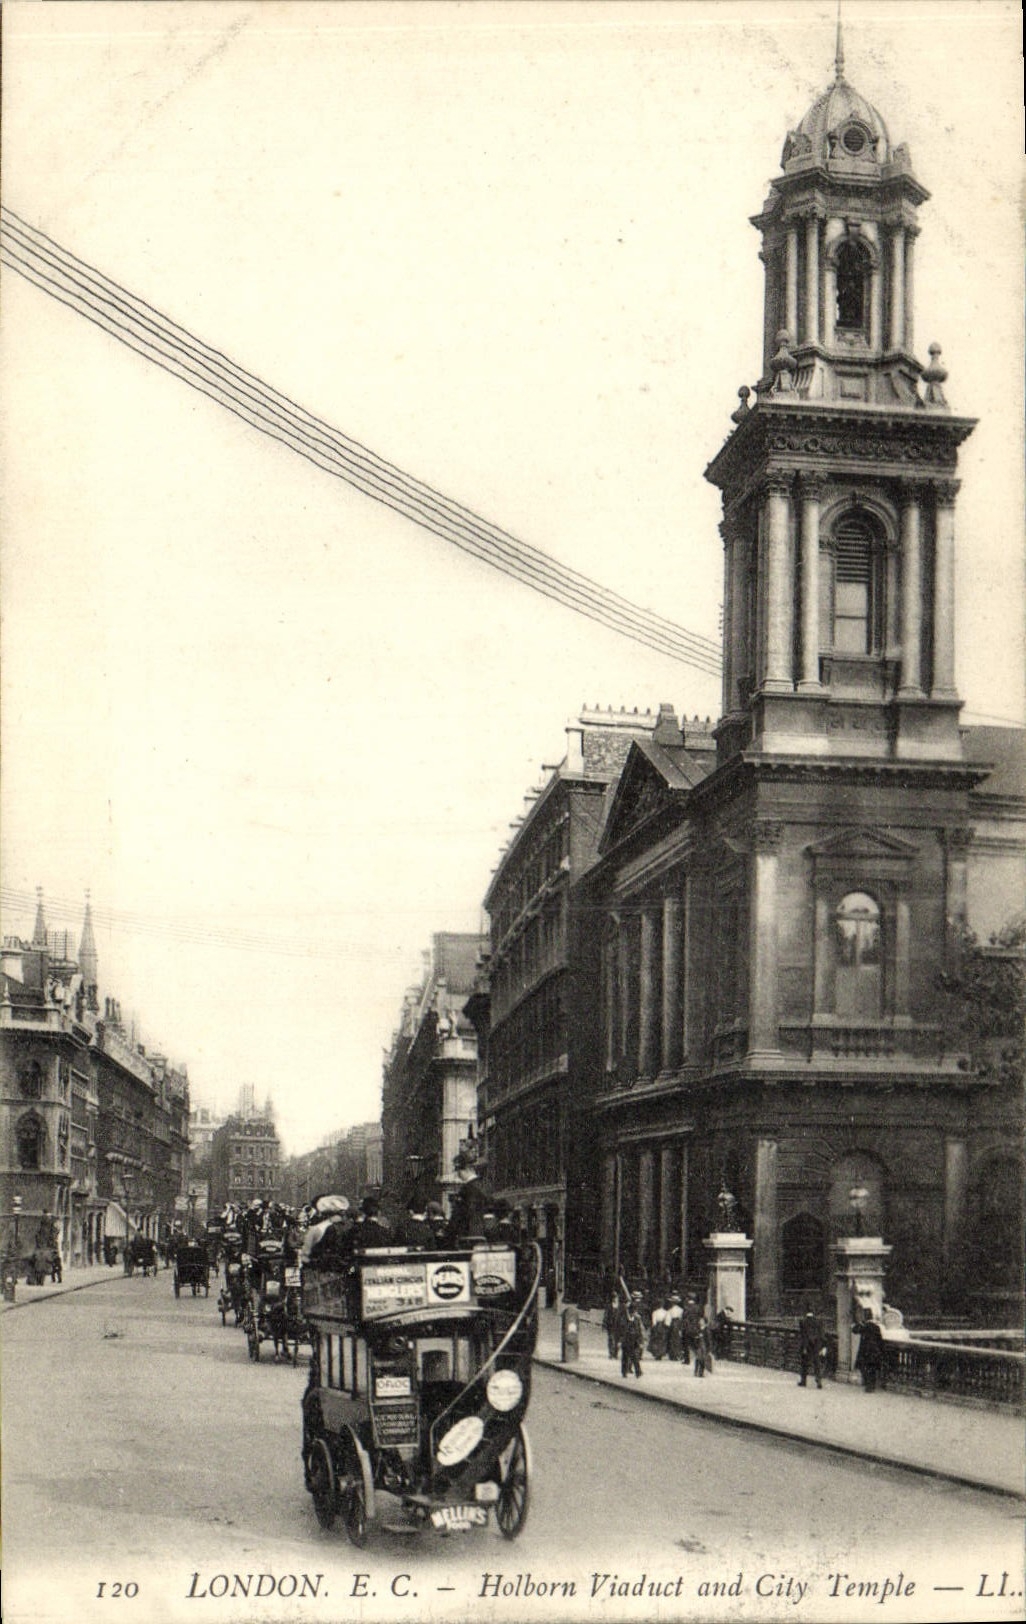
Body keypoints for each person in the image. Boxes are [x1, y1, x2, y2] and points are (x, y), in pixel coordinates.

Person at [447, 1153, 490, 1242]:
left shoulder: (466, 1190)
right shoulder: (485, 1186)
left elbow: (459, 1215)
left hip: (467, 1236)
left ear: (465, 1169)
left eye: (458, 1170)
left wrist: (448, 1232)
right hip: (484, 1235)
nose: (457, 1174)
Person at [853, 1307, 885, 1393]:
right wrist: (881, 1351)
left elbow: (854, 1330)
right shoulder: (876, 1327)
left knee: (864, 1367)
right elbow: (880, 1340)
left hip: (865, 1351)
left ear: (865, 1317)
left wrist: (859, 1322)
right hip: (874, 1351)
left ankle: (868, 1385)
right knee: (872, 1369)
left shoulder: (864, 1326)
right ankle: (872, 1386)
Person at [798, 1303, 825, 1389]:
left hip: (807, 1345)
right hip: (817, 1344)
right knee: (817, 1363)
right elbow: (822, 1334)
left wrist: (804, 1347)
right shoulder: (819, 1322)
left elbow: (802, 1335)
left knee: (804, 1363)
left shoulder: (803, 1322)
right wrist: (822, 1346)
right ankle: (818, 1380)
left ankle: (803, 1380)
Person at [620, 1292, 646, 1380]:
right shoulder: (625, 1318)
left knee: (634, 1356)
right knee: (626, 1356)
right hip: (627, 1339)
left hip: (634, 1340)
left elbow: (639, 1330)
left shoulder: (636, 1318)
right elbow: (622, 1329)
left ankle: (637, 1372)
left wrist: (640, 1340)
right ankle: (624, 1372)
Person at [666, 1292, 684, 1361]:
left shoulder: (670, 1310)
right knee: (679, 1340)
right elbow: (682, 1318)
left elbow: (668, 1320)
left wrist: (668, 1326)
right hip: (679, 1324)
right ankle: (678, 1354)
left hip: (672, 1325)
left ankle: (673, 1355)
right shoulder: (681, 1310)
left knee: (672, 1340)